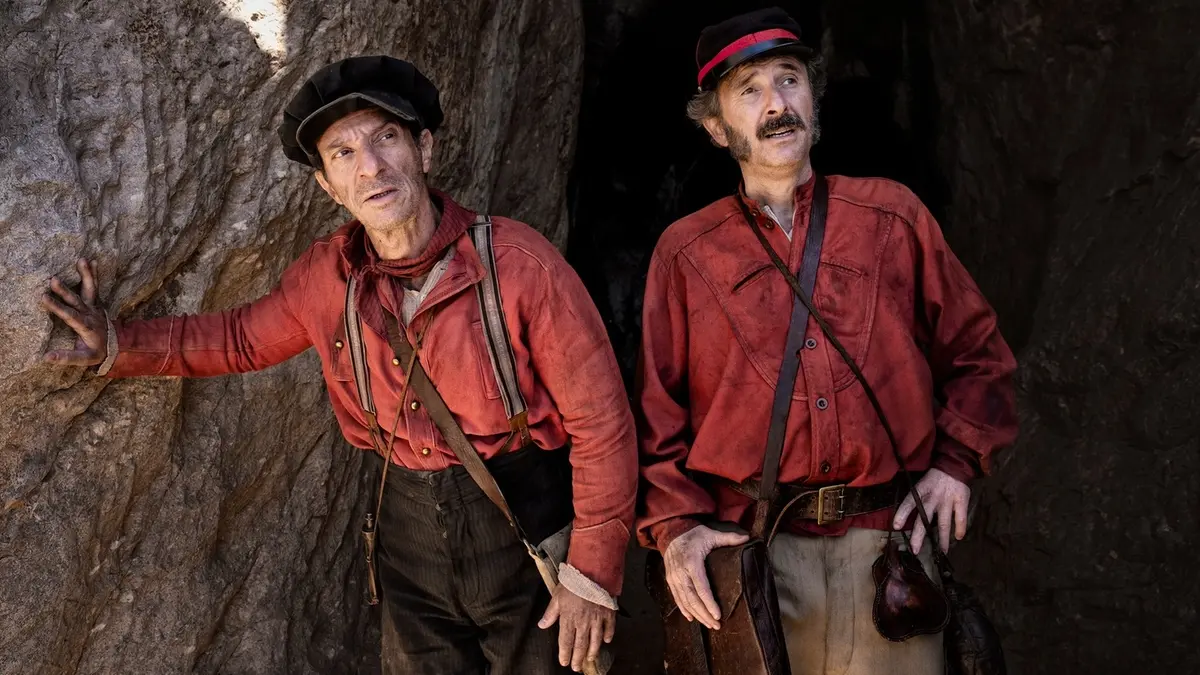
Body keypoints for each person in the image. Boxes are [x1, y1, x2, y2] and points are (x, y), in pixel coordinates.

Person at [39, 55, 637, 675]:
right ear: (327, 184)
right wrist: (118, 342)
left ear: (424, 149)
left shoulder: (519, 264)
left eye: (385, 138)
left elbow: (603, 425)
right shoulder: (325, 278)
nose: (371, 167)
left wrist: (590, 576)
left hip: (520, 515)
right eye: (343, 153)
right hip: (404, 527)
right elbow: (242, 338)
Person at [635, 8, 1019, 674]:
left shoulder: (892, 216)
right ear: (717, 127)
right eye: (748, 91)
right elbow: (654, 414)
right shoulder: (685, 254)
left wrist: (956, 463)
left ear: (814, 99)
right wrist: (676, 525)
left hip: (889, 553)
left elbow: (977, 351)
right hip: (756, 560)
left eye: (789, 81)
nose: (776, 105)